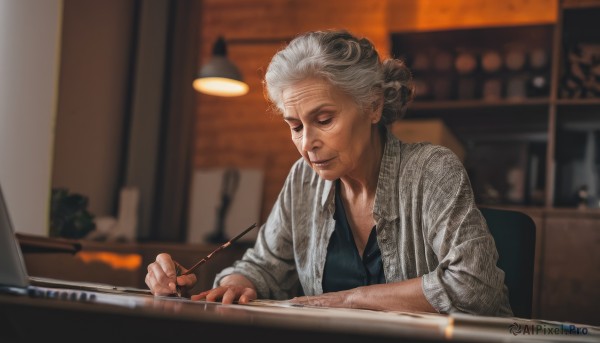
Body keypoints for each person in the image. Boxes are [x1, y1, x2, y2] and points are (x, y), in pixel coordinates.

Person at [145, 29, 513, 316]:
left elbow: (474, 286)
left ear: (372, 106)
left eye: (324, 120)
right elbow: (264, 266)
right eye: (295, 126)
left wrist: (352, 300)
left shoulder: (432, 170)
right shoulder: (302, 179)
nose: (307, 144)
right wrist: (234, 284)